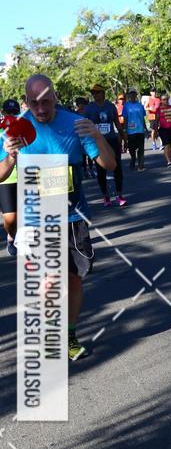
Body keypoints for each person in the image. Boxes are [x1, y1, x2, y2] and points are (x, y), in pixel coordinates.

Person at [0, 74, 116, 359]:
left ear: (55, 99)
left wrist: (98, 136)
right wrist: (11, 157)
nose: (41, 109)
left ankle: (69, 335)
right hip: (36, 219)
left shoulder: (74, 124)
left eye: (47, 102)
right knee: (50, 281)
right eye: (35, 103)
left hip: (73, 218)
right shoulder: (15, 129)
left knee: (74, 280)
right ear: (26, 101)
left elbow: (109, 164)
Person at [84, 84, 127, 207]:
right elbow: (85, 126)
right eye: (93, 93)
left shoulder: (110, 106)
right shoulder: (89, 108)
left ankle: (119, 195)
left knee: (117, 167)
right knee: (101, 170)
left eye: (97, 92)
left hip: (111, 140)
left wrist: (124, 138)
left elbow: (117, 124)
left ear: (103, 93)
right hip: (97, 142)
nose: (95, 95)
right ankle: (106, 196)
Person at [0, 98, 21, 256]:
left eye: (15, 112)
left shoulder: (26, 130)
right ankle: (12, 236)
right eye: (9, 112)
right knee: (10, 219)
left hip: (26, 177)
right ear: (3, 113)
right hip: (6, 178)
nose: (12, 115)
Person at [122, 89, 147, 170]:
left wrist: (146, 128)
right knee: (132, 148)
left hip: (140, 130)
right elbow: (125, 118)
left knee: (141, 148)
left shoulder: (140, 105)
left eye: (134, 94)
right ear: (129, 96)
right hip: (131, 130)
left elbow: (143, 118)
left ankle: (141, 165)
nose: (133, 95)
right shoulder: (126, 106)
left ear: (136, 95)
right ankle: (133, 159)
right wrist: (125, 130)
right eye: (131, 94)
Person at [74, 97, 95, 178]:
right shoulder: (75, 114)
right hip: (79, 137)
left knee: (90, 154)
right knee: (82, 156)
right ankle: (85, 171)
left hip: (88, 136)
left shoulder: (88, 113)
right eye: (79, 104)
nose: (81, 106)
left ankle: (91, 169)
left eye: (82, 104)